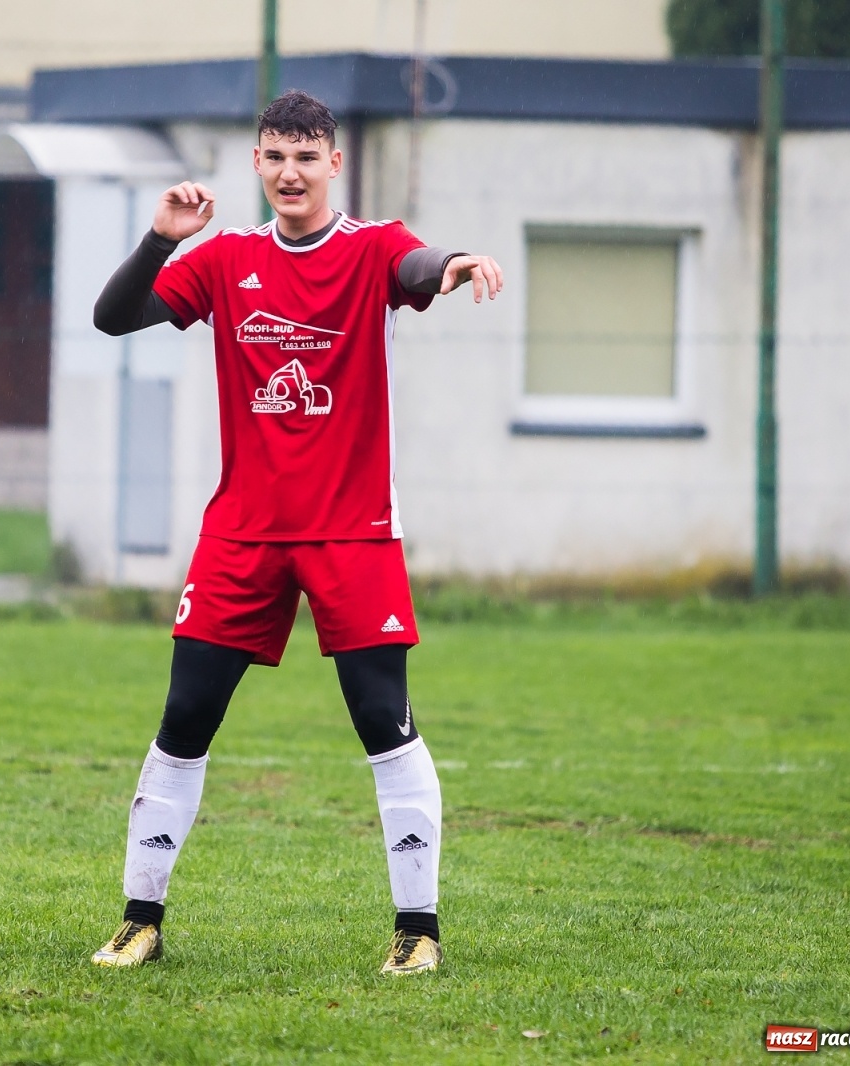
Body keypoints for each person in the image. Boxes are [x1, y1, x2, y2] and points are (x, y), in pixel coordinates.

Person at [89, 90, 503, 975]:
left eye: (307, 157)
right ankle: (139, 920)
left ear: (333, 164)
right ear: (257, 162)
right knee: (185, 716)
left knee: (382, 720)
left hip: (353, 531)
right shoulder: (223, 259)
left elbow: (417, 264)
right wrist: (160, 239)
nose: (290, 173)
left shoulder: (372, 247)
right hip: (243, 533)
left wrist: (454, 261)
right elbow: (113, 317)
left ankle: (418, 931)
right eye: (275, 156)